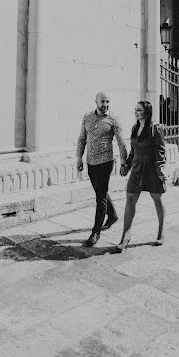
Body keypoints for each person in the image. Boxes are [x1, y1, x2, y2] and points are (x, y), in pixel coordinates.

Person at [76, 91, 127, 247]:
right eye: (102, 101)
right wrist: (79, 157)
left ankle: (95, 232)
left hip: (106, 162)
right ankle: (112, 215)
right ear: (96, 102)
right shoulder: (87, 117)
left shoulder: (113, 120)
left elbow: (121, 142)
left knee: (100, 197)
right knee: (101, 193)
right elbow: (82, 138)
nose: (105, 105)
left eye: (107, 102)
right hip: (91, 162)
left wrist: (124, 162)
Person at [117, 100, 167, 252]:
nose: (136, 112)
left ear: (146, 112)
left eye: (139, 110)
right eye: (135, 109)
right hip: (137, 169)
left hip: (151, 170)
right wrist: (126, 164)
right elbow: (133, 151)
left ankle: (161, 231)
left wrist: (161, 171)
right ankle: (126, 234)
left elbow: (161, 152)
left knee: (157, 199)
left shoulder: (155, 129)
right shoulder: (135, 127)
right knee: (130, 198)